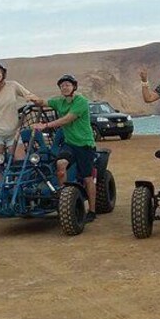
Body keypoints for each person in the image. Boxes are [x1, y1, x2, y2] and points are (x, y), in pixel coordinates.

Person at [30, 75, 98, 223]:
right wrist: (32, 98)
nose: (65, 87)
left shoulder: (81, 101)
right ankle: (64, 201)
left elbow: (68, 118)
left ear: (74, 87)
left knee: (87, 177)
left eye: (68, 85)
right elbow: (43, 102)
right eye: (62, 86)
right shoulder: (58, 101)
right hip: (70, 144)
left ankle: (92, 210)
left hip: (85, 144)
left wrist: (45, 125)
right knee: (60, 166)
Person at [0, 62, 37, 161]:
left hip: (13, 133)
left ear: (3, 74)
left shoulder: (13, 86)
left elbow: (29, 94)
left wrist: (33, 99)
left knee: (20, 161)